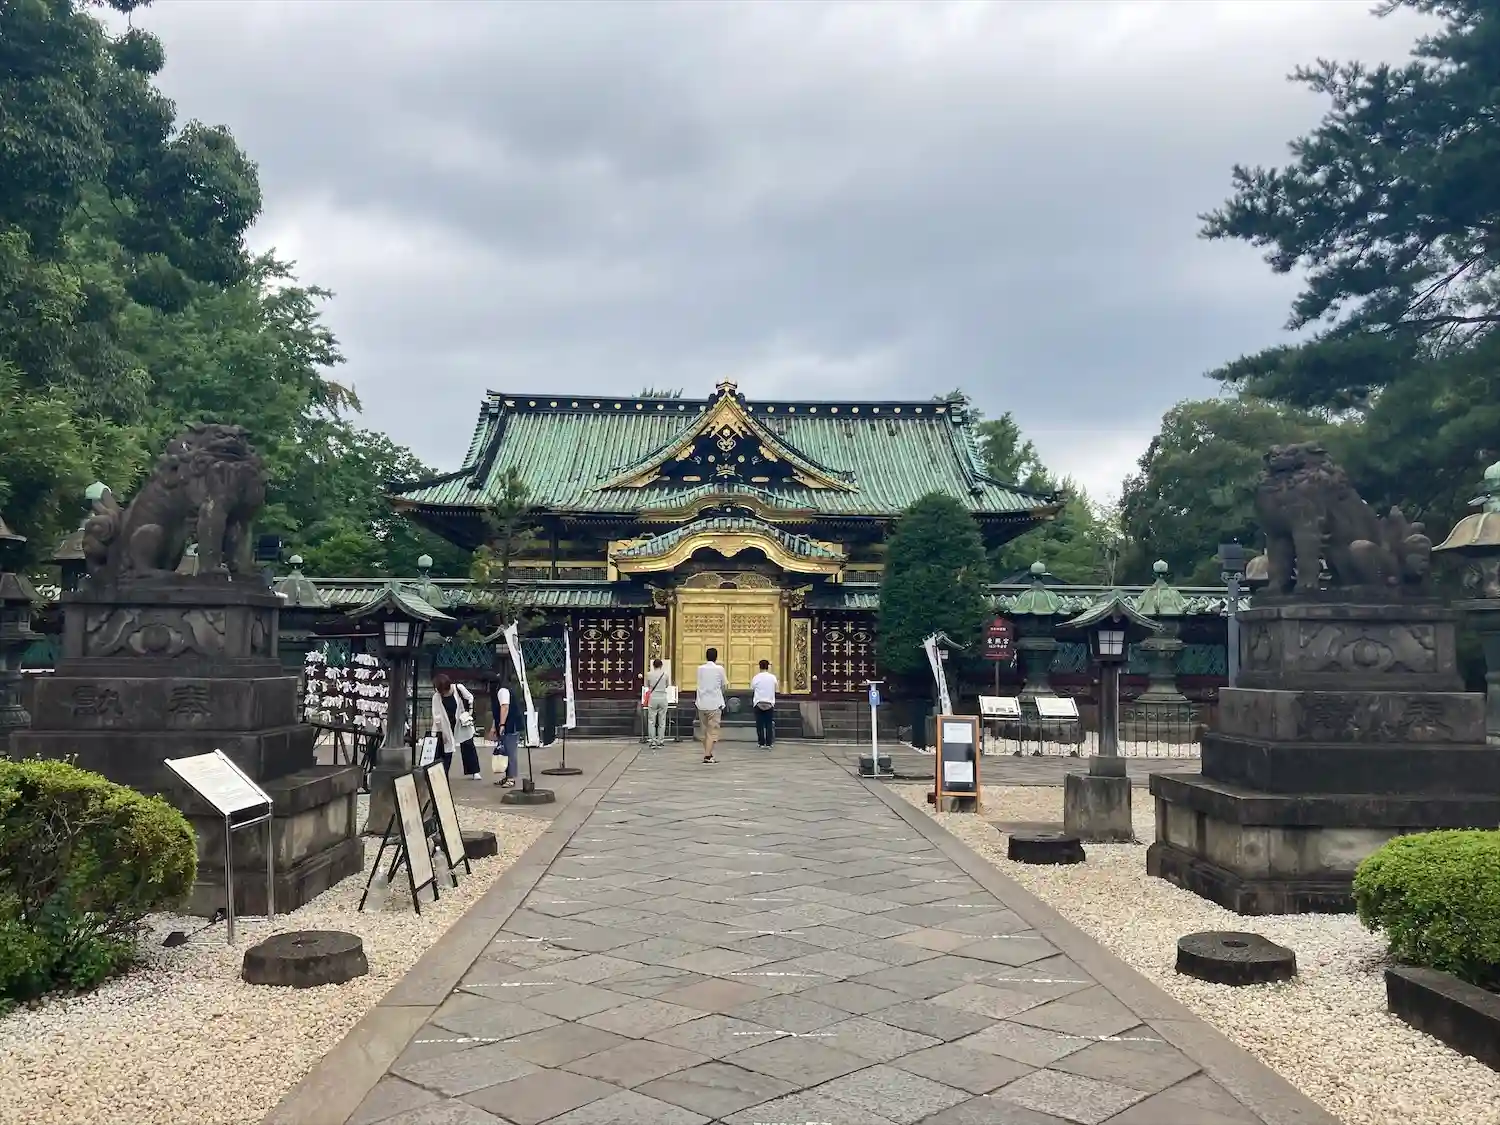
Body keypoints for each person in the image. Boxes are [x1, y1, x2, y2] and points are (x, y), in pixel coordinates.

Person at [430, 673, 481, 779]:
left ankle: (474, 771)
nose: (444, 693)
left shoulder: (458, 688)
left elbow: (470, 698)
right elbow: (437, 716)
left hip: (461, 721)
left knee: (468, 744)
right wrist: (441, 732)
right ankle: (443, 773)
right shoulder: (437, 696)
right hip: (446, 724)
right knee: (445, 749)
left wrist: (469, 713)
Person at [695, 647, 729, 764]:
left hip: (701, 703)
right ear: (716, 657)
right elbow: (724, 685)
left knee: (704, 731)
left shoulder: (700, 669)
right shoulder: (719, 669)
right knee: (712, 732)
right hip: (714, 703)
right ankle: (707, 756)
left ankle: (708, 753)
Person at [489, 669, 522, 788]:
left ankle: (511, 778)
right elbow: (498, 711)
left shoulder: (502, 691)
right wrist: (495, 726)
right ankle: (507, 776)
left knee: (510, 751)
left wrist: (502, 725)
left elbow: (504, 707)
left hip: (510, 725)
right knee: (505, 751)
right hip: (504, 724)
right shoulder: (500, 690)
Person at [644, 657, 671, 748]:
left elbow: (647, 685)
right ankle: (660, 740)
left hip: (653, 697)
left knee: (651, 720)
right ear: (661, 665)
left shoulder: (649, 674)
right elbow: (667, 685)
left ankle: (652, 740)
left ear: (653, 665)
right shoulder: (665, 675)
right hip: (663, 697)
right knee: (662, 720)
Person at [751, 658, 777, 748]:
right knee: (768, 724)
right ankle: (769, 743)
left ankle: (761, 742)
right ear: (768, 667)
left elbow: (752, 688)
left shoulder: (756, 677)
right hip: (769, 702)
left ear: (759, 667)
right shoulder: (772, 677)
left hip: (759, 702)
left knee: (760, 724)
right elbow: (775, 687)